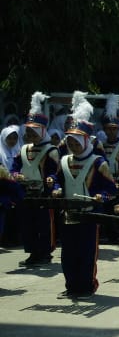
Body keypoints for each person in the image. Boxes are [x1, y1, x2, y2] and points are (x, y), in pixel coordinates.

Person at [52, 94, 116, 298]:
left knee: (87, 253)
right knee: (68, 254)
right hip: (69, 214)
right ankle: (71, 286)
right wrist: (54, 187)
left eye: (77, 142)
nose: (73, 146)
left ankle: (87, 286)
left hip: (89, 216)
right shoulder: (64, 160)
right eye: (70, 142)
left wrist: (101, 197)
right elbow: (57, 178)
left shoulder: (99, 163)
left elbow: (111, 190)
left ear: (85, 141)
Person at [11, 92, 61, 266]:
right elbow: (15, 166)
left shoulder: (51, 150)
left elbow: (54, 172)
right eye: (29, 133)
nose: (31, 137)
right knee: (28, 224)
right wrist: (16, 175)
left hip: (43, 194)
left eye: (34, 133)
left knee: (44, 224)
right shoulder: (24, 149)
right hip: (25, 192)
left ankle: (45, 253)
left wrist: (50, 179)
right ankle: (32, 252)